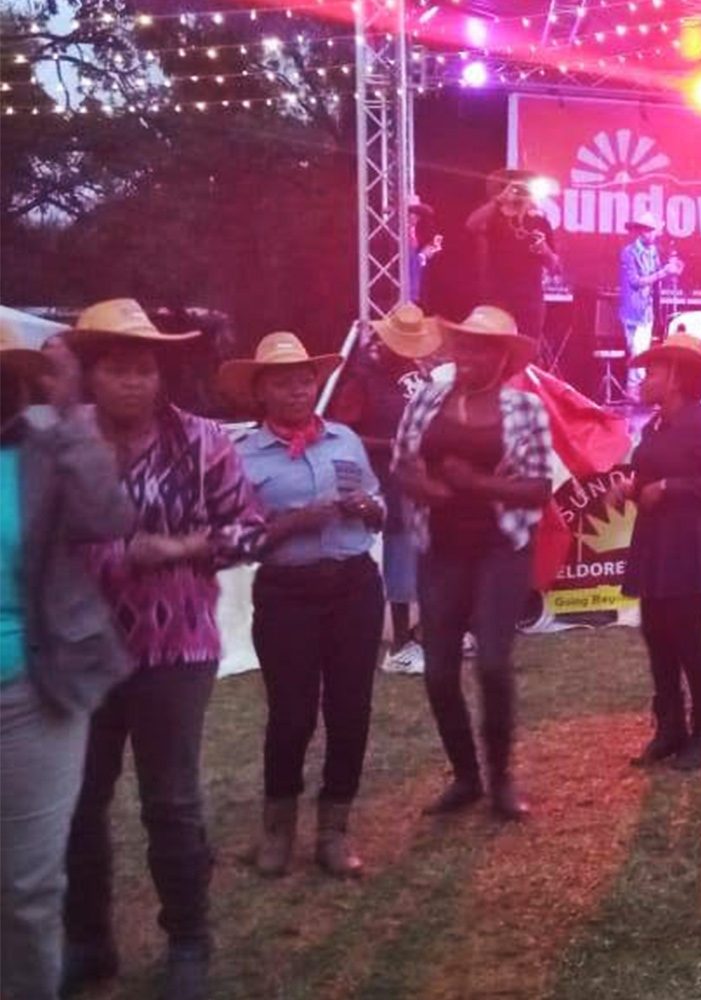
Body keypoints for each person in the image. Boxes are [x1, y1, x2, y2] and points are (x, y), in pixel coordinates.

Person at [62, 299, 267, 1000]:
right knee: (80, 801)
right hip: (82, 652)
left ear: (160, 374)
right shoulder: (66, 443)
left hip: (175, 645)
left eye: (143, 368)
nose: (132, 382)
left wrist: (178, 547)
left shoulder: (205, 441)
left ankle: (187, 939)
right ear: (91, 375)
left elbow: (249, 532)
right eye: (116, 369)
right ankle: (89, 941)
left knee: (170, 799)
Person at [221, 334, 386, 879]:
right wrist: (296, 522)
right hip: (287, 594)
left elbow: (379, 505)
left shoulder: (343, 440)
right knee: (291, 716)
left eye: (305, 378)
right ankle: (278, 830)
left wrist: (368, 506)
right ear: (260, 391)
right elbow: (236, 541)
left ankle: (334, 830)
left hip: (353, 588)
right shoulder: (242, 456)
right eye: (283, 380)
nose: (297, 388)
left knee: (350, 711)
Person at [0, 325, 133, 1000]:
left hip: (32, 683)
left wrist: (73, 416)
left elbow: (108, 519)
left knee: (27, 885)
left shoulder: (46, 446)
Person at [393, 306, 554, 820]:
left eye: (481, 348)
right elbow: (400, 466)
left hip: (500, 549)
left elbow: (538, 490)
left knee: (491, 664)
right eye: (463, 345)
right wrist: (431, 491)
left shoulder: (525, 410)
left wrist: (476, 485)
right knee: (438, 673)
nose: (468, 355)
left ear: (502, 356)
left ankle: (502, 780)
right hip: (439, 548)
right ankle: (466, 777)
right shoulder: (426, 399)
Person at [616, 334, 701, 770]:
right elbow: (645, 478)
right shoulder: (654, 426)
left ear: (675, 377)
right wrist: (630, 488)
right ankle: (670, 729)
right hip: (659, 542)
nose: (644, 377)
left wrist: (669, 488)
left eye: (653, 371)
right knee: (656, 636)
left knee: (688, 638)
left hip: (696, 545)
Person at [329, 302, 443, 672]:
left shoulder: (415, 369)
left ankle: (429, 631)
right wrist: (392, 446)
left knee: (431, 552)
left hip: (423, 476)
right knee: (401, 552)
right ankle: (401, 646)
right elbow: (342, 434)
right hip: (387, 478)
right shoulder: (361, 378)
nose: (411, 353)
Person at [465, 169, 560, 343]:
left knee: (527, 348)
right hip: (497, 297)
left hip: (530, 299)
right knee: (496, 348)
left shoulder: (539, 221)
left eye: (524, 189)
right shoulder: (493, 216)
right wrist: (500, 199)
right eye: (516, 188)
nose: (520, 193)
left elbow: (554, 267)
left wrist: (544, 249)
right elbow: (471, 224)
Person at [617, 213, 675, 374]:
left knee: (642, 353)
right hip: (632, 310)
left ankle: (636, 391)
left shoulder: (653, 252)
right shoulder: (629, 252)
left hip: (647, 310)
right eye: (646, 231)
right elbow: (635, 282)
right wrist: (663, 273)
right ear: (639, 232)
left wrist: (670, 272)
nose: (649, 234)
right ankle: (636, 391)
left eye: (651, 231)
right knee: (638, 353)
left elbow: (656, 277)